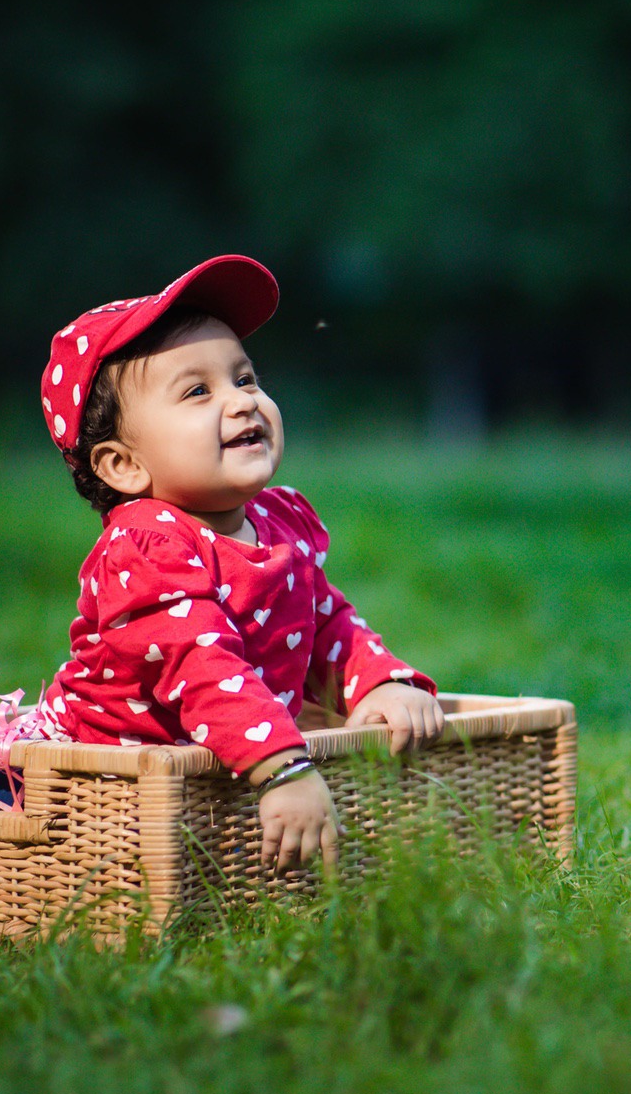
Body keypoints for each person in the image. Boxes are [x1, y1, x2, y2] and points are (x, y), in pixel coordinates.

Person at [32, 255, 444, 872]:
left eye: (245, 379)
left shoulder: (278, 524)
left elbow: (325, 625)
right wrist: (284, 768)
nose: (241, 402)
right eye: (198, 391)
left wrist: (379, 681)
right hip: (107, 781)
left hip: (217, 760)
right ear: (123, 466)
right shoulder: (145, 548)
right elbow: (202, 667)